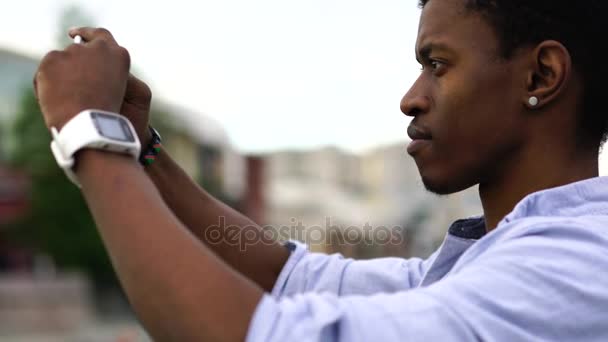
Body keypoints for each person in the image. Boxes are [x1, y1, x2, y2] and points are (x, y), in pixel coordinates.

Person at [33, 0, 608, 340]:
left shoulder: (575, 266)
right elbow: (293, 279)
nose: (411, 98)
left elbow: (270, 334)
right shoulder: (496, 258)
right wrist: (141, 147)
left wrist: (89, 133)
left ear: (540, 76)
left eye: (438, 65)